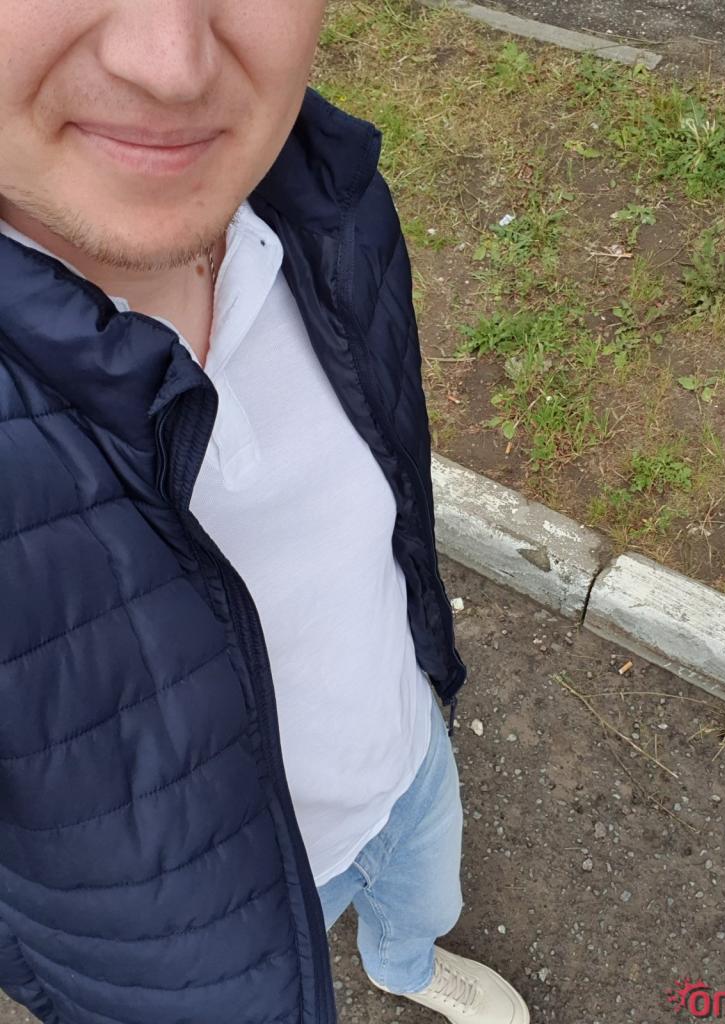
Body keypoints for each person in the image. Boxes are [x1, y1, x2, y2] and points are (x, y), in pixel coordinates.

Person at [0, 3, 530, 1023]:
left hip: (404, 753)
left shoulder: (324, 195)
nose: (172, 64)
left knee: (424, 894)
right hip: (205, 944)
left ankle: (404, 963)